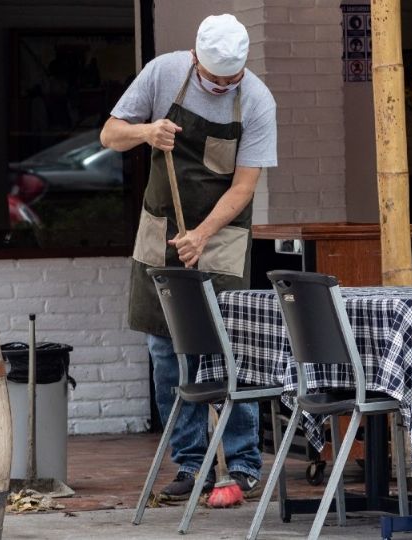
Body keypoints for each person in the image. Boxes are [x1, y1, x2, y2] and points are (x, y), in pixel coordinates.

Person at [100, 13, 277, 502]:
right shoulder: (163, 73)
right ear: (195, 59)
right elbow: (109, 135)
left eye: (231, 80)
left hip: (220, 234)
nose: (222, 87)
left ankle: (241, 463)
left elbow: (244, 186)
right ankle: (190, 462)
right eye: (213, 79)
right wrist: (146, 133)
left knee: (229, 346)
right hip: (159, 230)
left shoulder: (257, 100)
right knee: (165, 349)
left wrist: (202, 234)